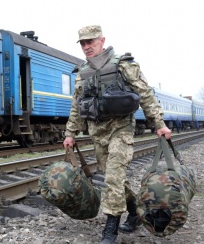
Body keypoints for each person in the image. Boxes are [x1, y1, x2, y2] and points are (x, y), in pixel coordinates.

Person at [63, 25, 172, 244]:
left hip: (121, 128)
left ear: (102, 41)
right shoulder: (82, 72)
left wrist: (159, 123)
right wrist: (70, 133)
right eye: (83, 43)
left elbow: (145, 94)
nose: (86, 47)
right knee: (116, 179)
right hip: (97, 131)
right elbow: (76, 105)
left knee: (112, 177)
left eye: (90, 42)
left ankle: (110, 230)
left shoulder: (124, 65)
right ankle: (134, 213)